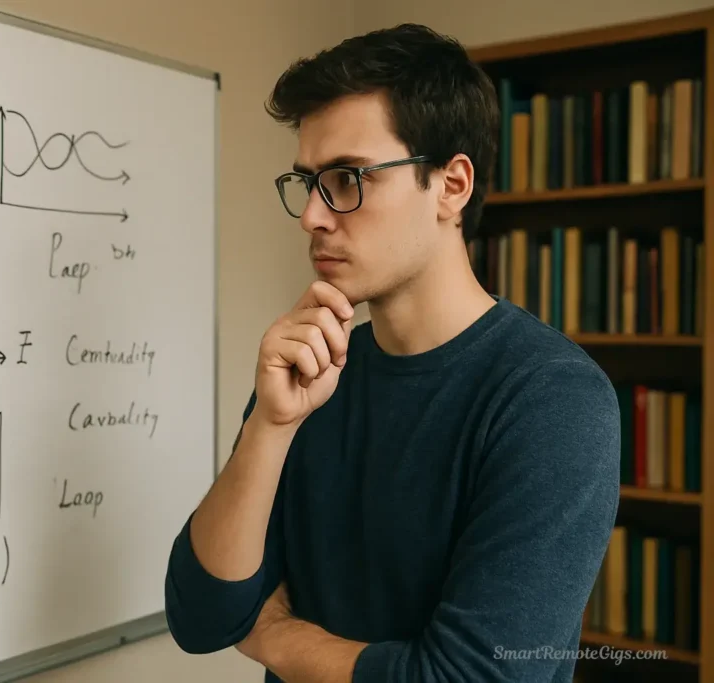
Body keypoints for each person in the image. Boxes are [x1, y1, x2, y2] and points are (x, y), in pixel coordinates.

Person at [163, 22, 621, 683]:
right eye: (308, 181)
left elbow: (470, 677)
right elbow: (203, 615)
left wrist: (281, 640)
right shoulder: (312, 374)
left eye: (347, 178)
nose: (312, 216)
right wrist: (270, 423)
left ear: (453, 185)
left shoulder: (555, 400)